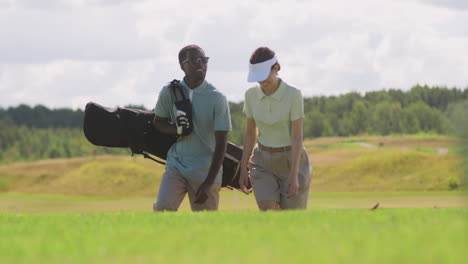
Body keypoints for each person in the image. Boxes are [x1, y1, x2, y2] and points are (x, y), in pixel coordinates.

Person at [153, 44, 232, 211]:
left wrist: (209, 183)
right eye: (195, 60)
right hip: (177, 164)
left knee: (206, 225)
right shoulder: (169, 91)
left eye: (204, 60)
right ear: (183, 65)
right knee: (162, 208)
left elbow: (221, 143)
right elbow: (158, 121)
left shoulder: (217, 97)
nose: (201, 64)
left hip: (206, 170)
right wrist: (177, 130)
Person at [239, 47, 312, 210]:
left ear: (276, 68)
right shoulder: (250, 96)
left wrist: (293, 176)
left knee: (291, 221)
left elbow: (297, 138)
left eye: (265, 76)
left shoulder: (293, 95)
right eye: (258, 78)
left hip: (292, 162)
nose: (262, 82)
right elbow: (250, 133)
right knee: (268, 212)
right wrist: (243, 167)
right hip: (263, 163)